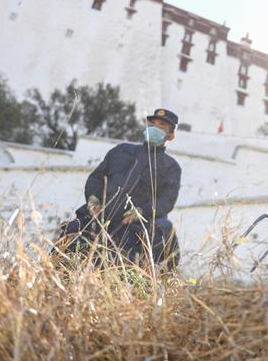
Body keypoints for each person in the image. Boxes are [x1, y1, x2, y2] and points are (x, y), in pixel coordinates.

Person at [56, 108, 182, 269]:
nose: (154, 128)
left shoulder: (171, 167)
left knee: (123, 266)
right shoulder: (121, 151)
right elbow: (96, 178)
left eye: (161, 125)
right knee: (68, 242)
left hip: (132, 227)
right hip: (98, 218)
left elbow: (167, 201)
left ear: (171, 135)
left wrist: (141, 212)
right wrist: (93, 199)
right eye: (152, 123)